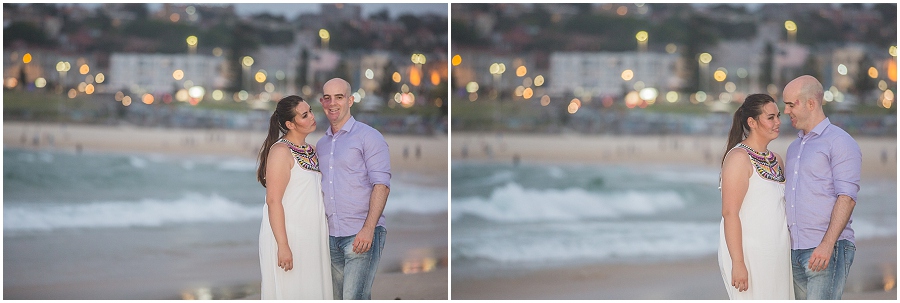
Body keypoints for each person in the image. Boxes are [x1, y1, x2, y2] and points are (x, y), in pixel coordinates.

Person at [782, 75, 861, 300]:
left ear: (811, 103)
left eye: (791, 104)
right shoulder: (794, 147)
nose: (786, 111)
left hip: (827, 249)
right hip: (795, 250)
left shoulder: (840, 142)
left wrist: (827, 245)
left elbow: (847, 197)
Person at [317, 78, 391, 300]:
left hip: (361, 234)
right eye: (327, 98)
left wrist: (368, 229)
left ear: (350, 100)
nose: (333, 103)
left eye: (339, 97)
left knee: (353, 298)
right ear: (322, 102)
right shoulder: (321, 144)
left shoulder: (369, 136)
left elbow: (382, 185)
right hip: (331, 237)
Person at [717, 94, 794, 299]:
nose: (778, 122)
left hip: (777, 252)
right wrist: (738, 263)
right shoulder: (738, 158)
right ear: (752, 122)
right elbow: (729, 213)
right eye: (771, 117)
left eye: (778, 116)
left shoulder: (776, 160)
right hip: (750, 255)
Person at [256, 96, 333, 299]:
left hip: (313, 236)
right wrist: (283, 245)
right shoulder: (281, 151)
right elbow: (273, 201)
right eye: (305, 115)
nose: (312, 117)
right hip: (290, 236)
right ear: (290, 124)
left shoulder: (313, 151)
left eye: (310, 111)